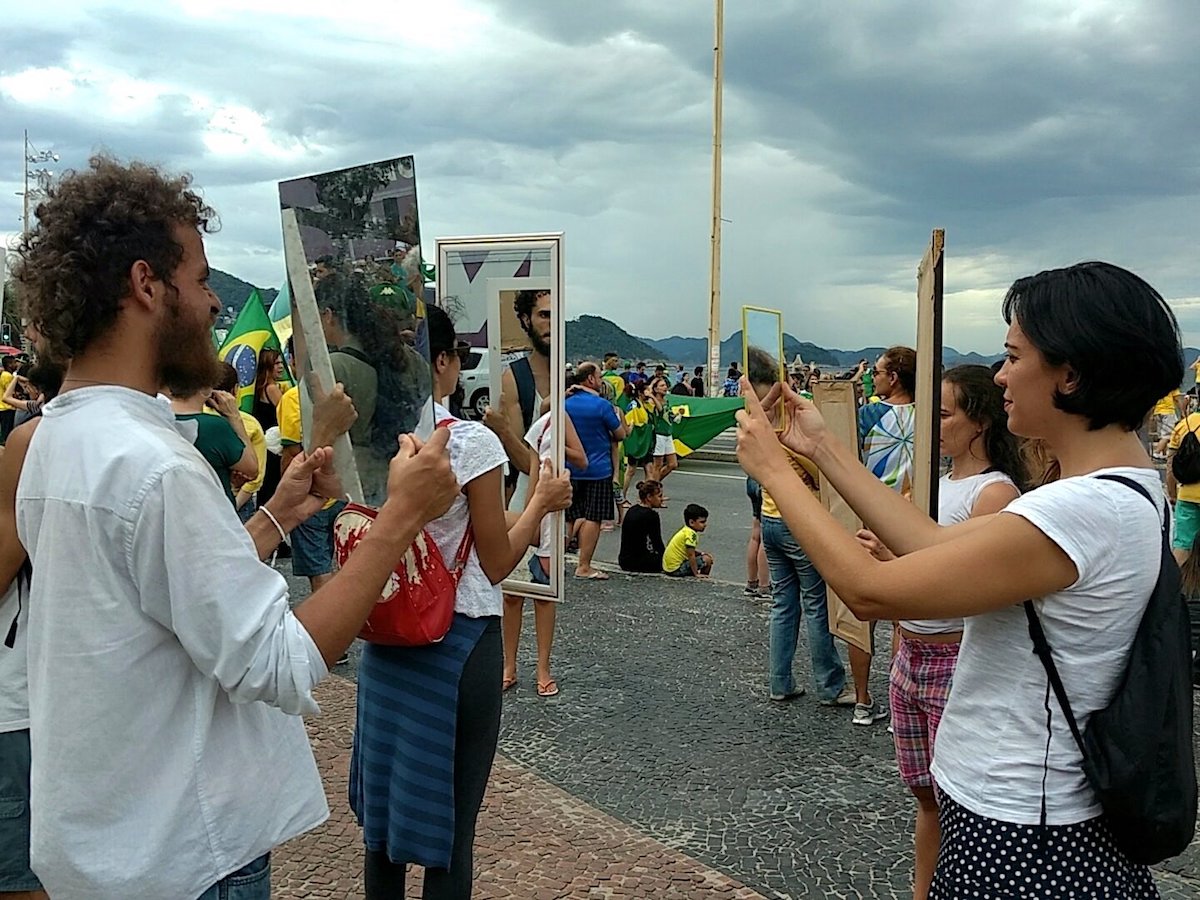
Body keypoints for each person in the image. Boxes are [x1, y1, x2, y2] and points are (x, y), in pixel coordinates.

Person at [11, 155, 462, 900]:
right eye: (201, 279)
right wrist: (401, 521)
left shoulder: (55, 438)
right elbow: (277, 663)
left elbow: (157, 603)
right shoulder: (155, 467)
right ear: (146, 284)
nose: (216, 302)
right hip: (187, 853)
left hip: (110, 845)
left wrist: (277, 516)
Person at [736, 261, 1179, 898]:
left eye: (1012, 355)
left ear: (1071, 374)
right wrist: (822, 449)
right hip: (1036, 813)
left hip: (1024, 828)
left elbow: (870, 590)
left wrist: (776, 473)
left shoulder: (1080, 511)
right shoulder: (1116, 494)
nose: (999, 375)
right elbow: (931, 544)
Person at [352, 304, 571, 899]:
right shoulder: (465, 442)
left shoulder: (369, 437)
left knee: (383, 833)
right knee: (451, 836)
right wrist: (541, 504)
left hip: (383, 640)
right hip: (457, 639)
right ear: (442, 363)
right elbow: (498, 561)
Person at [858, 365, 1024, 900]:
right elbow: (912, 565)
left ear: (978, 422)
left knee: (957, 796)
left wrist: (896, 565)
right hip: (911, 654)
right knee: (924, 794)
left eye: (944, 413)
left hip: (955, 659)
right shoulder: (924, 479)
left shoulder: (994, 493)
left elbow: (969, 584)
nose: (933, 424)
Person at [846, 345, 917, 725]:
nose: (873, 378)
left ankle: (861, 699)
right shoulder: (928, 416)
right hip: (909, 520)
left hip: (869, 515)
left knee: (863, 617)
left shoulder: (870, 414)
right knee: (900, 620)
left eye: (877, 372)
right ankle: (898, 703)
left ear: (893, 377)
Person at [501, 396, 587, 699]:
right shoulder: (538, 423)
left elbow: (582, 458)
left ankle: (542, 668)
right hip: (527, 502)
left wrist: (558, 448)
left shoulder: (561, 418)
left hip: (550, 509)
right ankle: (508, 665)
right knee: (511, 593)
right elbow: (529, 465)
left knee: (544, 594)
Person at [564, 362, 626, 580]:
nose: (601, 381)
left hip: (570, 467)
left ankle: (552, 561)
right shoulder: (601, 405)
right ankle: (583, 566)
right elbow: (620, 434)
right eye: (599, 377)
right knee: (594, 517)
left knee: (569, 516)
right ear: (590, 379)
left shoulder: (565, 403)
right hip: (598, 469)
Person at [169, 380, 258, 505]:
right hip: (212, 510)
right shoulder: (214, 426)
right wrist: (234, 416)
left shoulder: (157, 418)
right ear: (206, 390)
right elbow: (251, 468)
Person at [215, 363, 268, 518]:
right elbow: (255, 477)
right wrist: (233, 506)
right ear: (236, 389)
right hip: (239, 503)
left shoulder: (195, 422)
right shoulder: (250, 425)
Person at [1166, 403, 1200, 565]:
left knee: (1183, 546)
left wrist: (1172, 494)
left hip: (1187, 496)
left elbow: (1171, 466)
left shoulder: (1184, 424)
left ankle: (1173, 586)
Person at [252, 347, 286, 506]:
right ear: (267, 366)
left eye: (281, 362)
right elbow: (287, 414)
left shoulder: (257, 389)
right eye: (276, 363)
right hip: (274, 447)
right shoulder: (272, 389)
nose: (280, 367)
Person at [618, 479, 666, 573]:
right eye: (659, 496)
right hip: (640, 562)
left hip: (624, 560)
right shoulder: (652, 516)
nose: (662, 499)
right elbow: (657, 542)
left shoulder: (632, 510)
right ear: (649, 497)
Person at [662, 503, 714, 578]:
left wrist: (701, 553)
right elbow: (691, 555)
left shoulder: (685, 530)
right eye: (702, 522)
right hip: (676, 569)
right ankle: (703, 578)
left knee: (704, 556)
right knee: (707, 560)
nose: (705, 525)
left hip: (669, 568)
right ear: (692, 522)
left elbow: (688, 550)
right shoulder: (691, 535)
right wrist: (696, 573)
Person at [648, 375, 680, 485]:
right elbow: (660, 410)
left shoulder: (666, 401)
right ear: (656, 389)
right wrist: (652, 395)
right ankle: (654, 490)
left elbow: (668, 415)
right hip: (658, 435)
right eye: (662, 386)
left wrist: (676, 416)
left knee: (673, 464)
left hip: (668, 434)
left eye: (665, 385)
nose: (665, 387)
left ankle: (652, 485)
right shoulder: (652, 402)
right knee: (658, 465)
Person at [744, 476, 770, 597]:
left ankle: (752, 582)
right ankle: (764, 586)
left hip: (752, 479)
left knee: (756, 533)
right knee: (765, 537)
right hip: (764, 481)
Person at [0, 356, 17, 444]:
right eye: (14, 362)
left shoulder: (4, 374)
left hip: (3, 407)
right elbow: (10, 393)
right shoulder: (7, 376)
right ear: (9, 364)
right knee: (7, 434)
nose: (16, 364)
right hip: (7, 407)